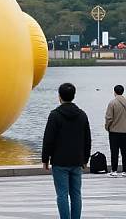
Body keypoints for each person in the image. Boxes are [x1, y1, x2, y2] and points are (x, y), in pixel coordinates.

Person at [42, 82, 91, 219]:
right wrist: (85, 159)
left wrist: (45, 159)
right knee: (76, 193)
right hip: (77, 160)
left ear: (59, 97)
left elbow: (48, 140)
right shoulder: (82, 115)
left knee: (62, 194)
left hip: (59, 161)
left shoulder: (55, 115)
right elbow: (87, 139)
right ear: (74, 96)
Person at [105, 84, 126, 177]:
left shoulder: (112, 103)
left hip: (114, 132)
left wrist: (107, 127)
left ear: (114, 92)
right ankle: (125, 171)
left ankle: (114, 170)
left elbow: (109, 118)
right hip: (125, 132)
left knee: (114, 152)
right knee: (125, 152)